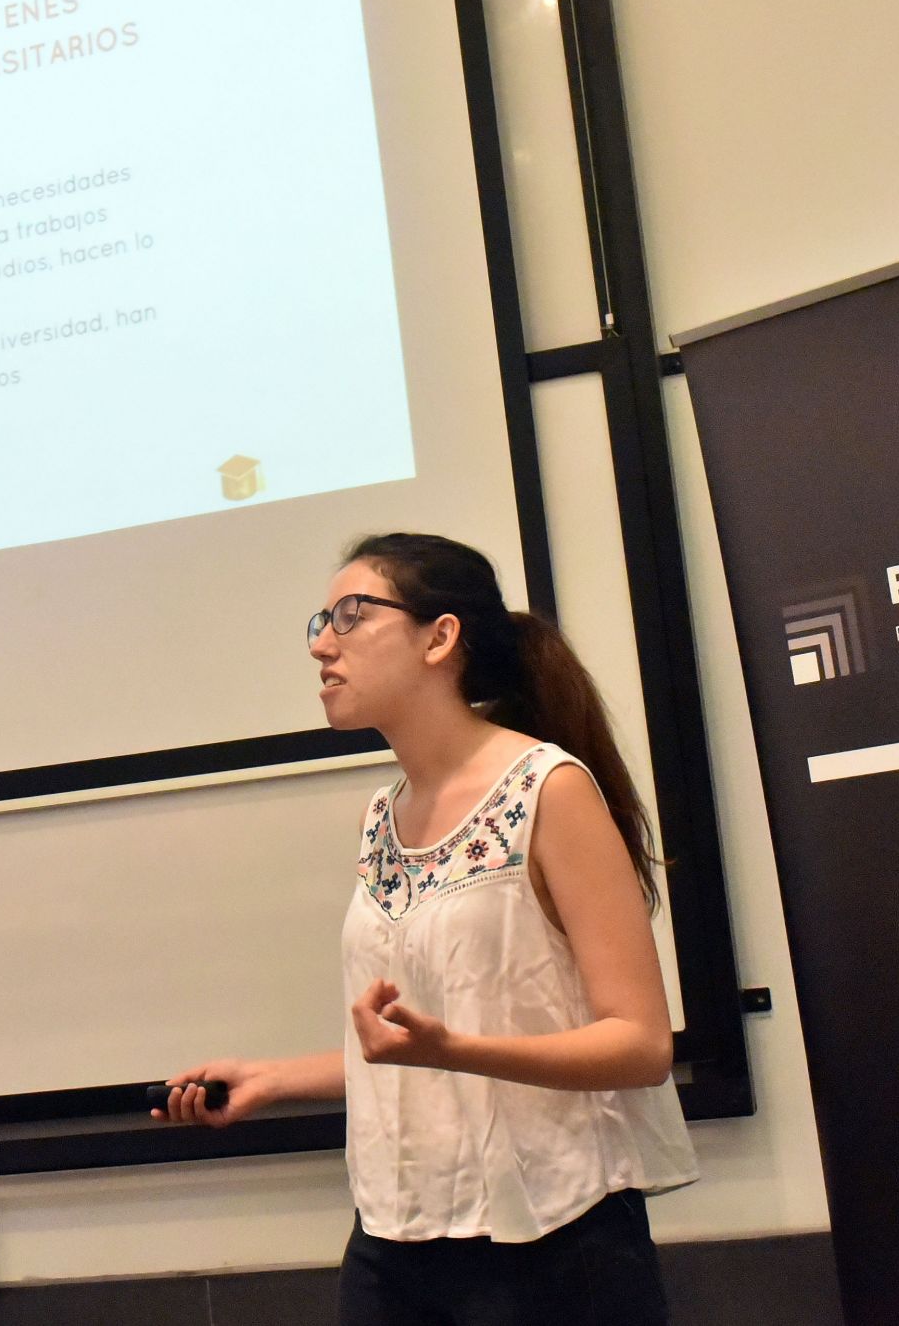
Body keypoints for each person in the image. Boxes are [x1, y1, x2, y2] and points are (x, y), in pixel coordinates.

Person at [155, 532, 697, 1324]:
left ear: (440, 638)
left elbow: (640, 1046)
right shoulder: (383, 816)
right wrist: (274, 1079)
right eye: (321, 622)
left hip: (552, 1234)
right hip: (396, 1233)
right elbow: (416, 1039)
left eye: (352, 615)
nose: (322, 645)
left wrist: (456, 1051)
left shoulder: (548, 789)